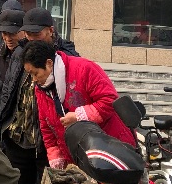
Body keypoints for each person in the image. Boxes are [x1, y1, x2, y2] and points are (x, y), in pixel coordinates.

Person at [0, 6, 79, 184]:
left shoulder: (67, 56)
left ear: (50, 31)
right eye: (27, 34)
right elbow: (9, 90)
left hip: (47, 140)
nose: (31, 38)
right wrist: (4, 124)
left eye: (36, 34)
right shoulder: (20, 53)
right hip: (18, 134)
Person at [23, 39, 134, 169]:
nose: (34, 79)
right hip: (78, 156)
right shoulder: (41, 89)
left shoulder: (84, 68)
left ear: (49, 63)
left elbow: (109, 100)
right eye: (30, 75)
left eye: (35, 73)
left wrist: (79, 116)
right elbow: (45, 125)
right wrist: (56, 156)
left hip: (110, 150)